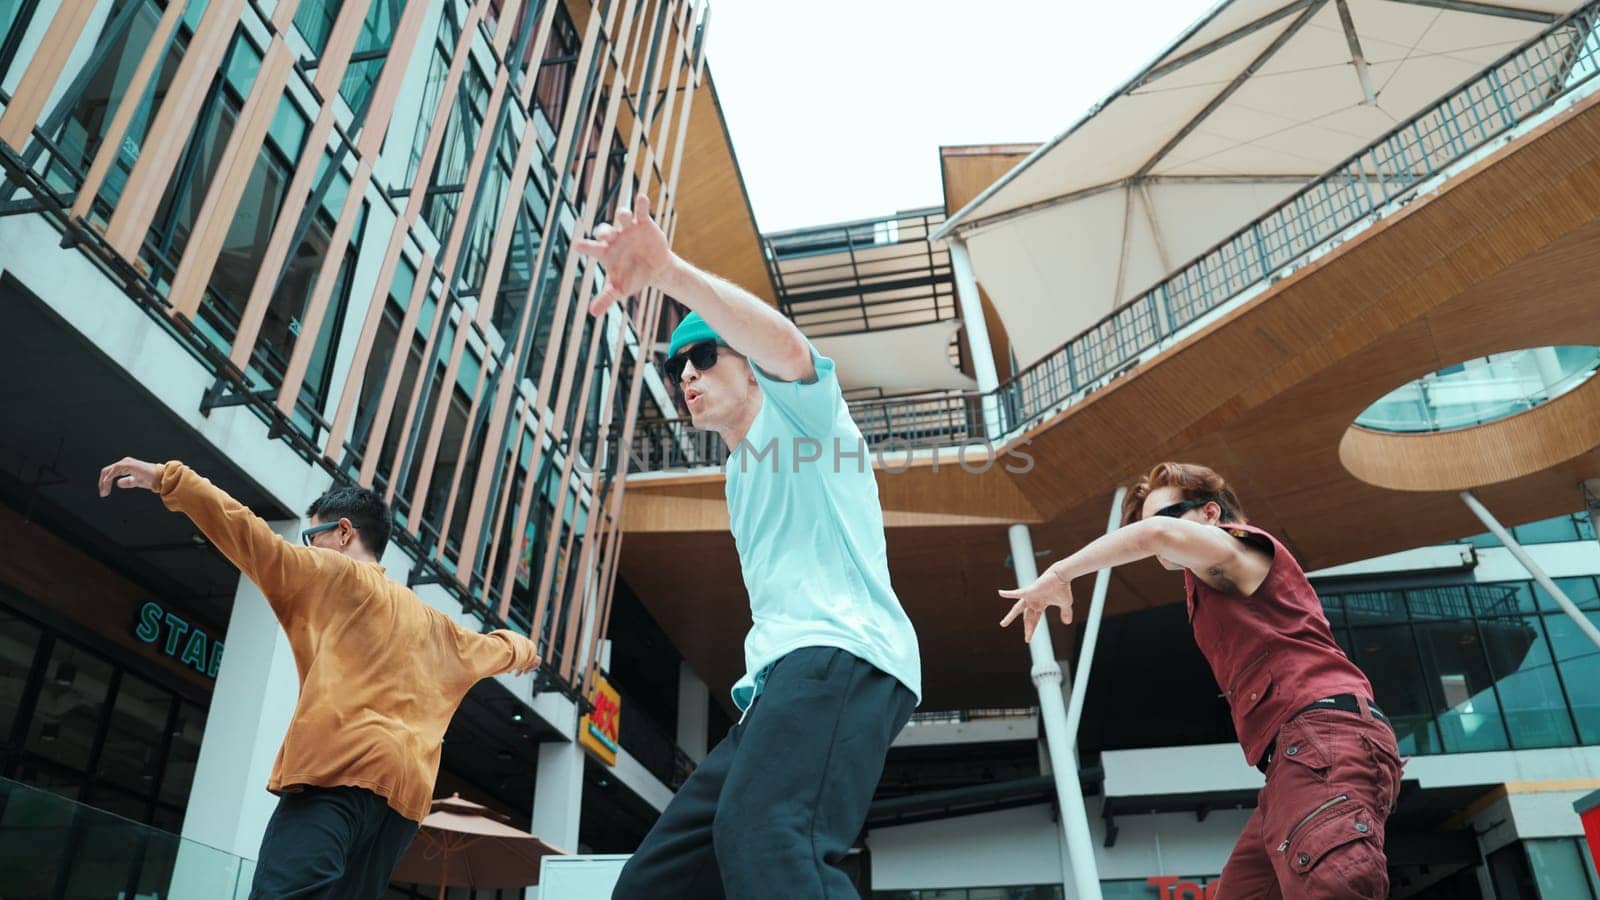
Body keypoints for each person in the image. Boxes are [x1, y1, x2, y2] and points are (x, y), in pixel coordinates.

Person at [577, 193, 921, 899]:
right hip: (776, 686)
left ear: (748, 365)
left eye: (703, 355)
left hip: (841, 653)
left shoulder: (804, 422)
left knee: (766, 835)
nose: (686, 375)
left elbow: (790, 349)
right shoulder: (740, 471)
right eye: (676, 368)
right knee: (653, 886)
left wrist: (668, 272)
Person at [97, 458, 540, 900]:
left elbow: (251, 538)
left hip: (340, 776)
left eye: (313, 537)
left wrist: (170, 480)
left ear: (344, 533)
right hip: (400, 809)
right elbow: (503, 649)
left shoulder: (337, 574)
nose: (307, 549)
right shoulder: (440, 628)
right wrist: (525, 650)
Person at [998, 462, 1403, 900]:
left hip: (1322, 739)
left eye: (1164, 515)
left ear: (1210, 513)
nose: (1155, 533)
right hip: (1295, 761)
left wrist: (1059, 573)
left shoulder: (1242, 547)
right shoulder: (1210, 583)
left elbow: (1157, 536)